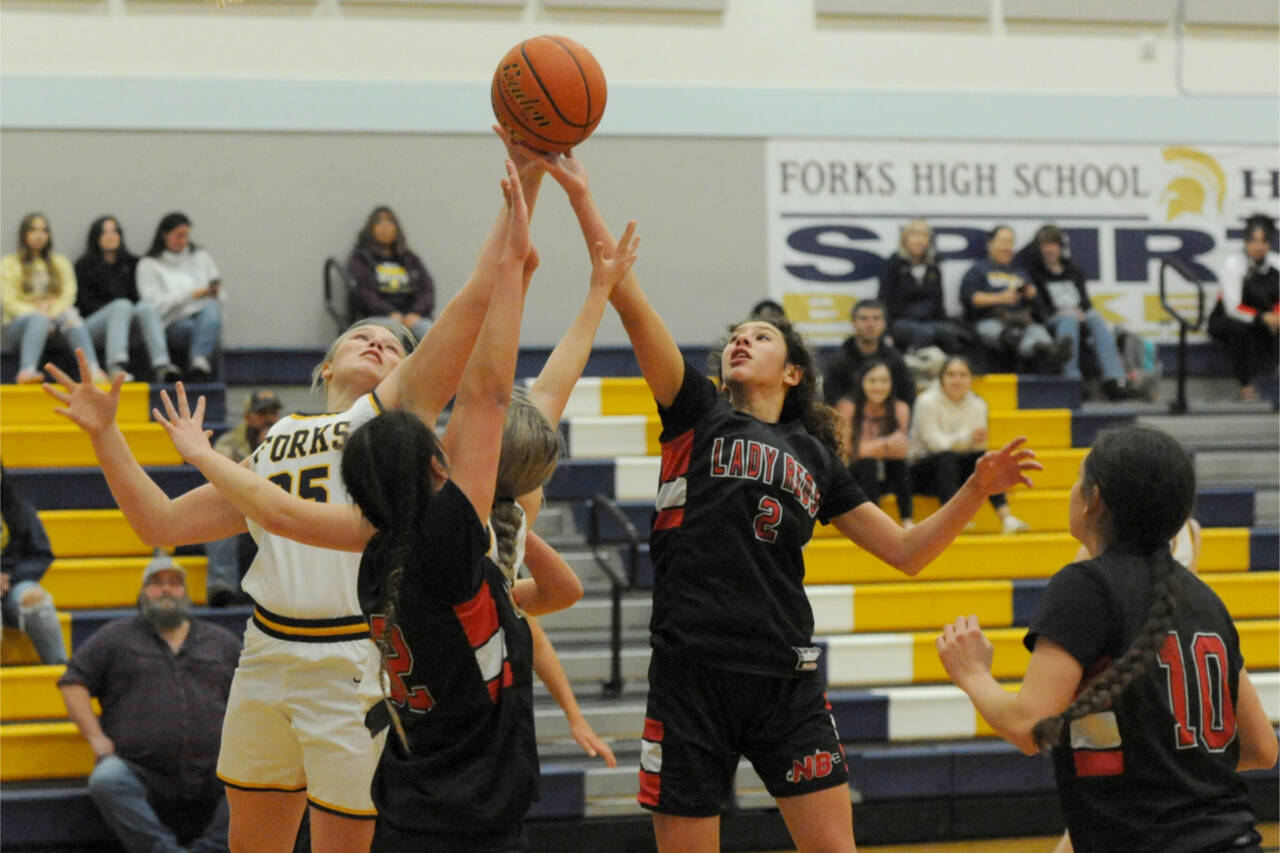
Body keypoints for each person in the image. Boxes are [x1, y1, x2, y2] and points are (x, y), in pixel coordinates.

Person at [43, 144, 552, 853]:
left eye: (396, 344)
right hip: (265, 650)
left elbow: (470, 300)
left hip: (353, 658)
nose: (381, 343)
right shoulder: (276, 436)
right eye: (364, 335)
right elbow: (155, 520)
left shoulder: (386, 417)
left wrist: (519, 189)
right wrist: (106, 436)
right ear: (325, 361)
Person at [542, 148, 1040, 853]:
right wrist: (581, 196)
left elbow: (905, 553)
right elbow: (626, 292)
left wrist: (974, 487)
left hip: (787, 681)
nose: (742, 339)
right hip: (693, 674)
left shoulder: (817, 456)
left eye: (761, 335)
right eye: (736, 336)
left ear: (795, 368)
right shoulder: (696, 412)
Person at [937, 425, 1278, 853]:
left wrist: (972, 674)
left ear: (1093, 498)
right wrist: (1167, 768)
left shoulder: (1084, 586)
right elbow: (1262, 748)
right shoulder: (1205, 597)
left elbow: (1029, 727)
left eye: (1078, 479)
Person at [58, 551, 240, 853]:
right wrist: (96, 738)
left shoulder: (220, 640)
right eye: (156, 583)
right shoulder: (115, 637)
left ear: (185, 592)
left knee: (263, 774)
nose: (166, 589)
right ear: (143, 592)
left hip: (216, 769)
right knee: (106, 779)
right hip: (140, 770)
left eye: (174, 583)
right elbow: (72, 682)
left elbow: (254, 690)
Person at [909, 355, 1029, 535]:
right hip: (922, 471)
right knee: (946, 458)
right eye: (951, 375)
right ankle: (952, 521)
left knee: (988, 461)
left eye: (963, 375)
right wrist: (966, 439)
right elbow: (935, 445)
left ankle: (1007, 518)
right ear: (941, 378)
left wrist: (968, 442)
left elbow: (978, 447)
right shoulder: (926, 401)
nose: (957, 380)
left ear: (971, 379)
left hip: (957, 470)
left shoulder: (978, 404)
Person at [1025, 225, 1139, 400]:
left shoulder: (1073, 270)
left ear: (1060, 247)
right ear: (1039, 248)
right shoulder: (1033, 272)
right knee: (1069, 319)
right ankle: (1072, 378)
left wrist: (1081, 311)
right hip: (1052, 318)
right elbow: (1039, 308)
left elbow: (1085, 301)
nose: (1049, 249)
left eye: (1053, 244)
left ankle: (1114, 379)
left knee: (1095, 316)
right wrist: (1064, 312)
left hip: (1077, 314)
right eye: (1045, 245)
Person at [75, 215, 181, 384]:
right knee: (121, 306)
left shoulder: (134, 264)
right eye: (105, 232)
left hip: (128, 327)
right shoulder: (83, 266)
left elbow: (140, 296)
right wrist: (116, 311)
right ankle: (115, 366)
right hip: (95, 327)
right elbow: (84, 304)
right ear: (96, 237)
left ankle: (162, 365)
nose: (111, 236)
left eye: (115, 231)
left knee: (145, 307)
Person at [2, 212, 105, 384]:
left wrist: (50, 313)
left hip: (56, 325)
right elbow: (9, 302)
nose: (39, 236)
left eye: (44, 231)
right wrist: (38, 312)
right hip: (20, 326)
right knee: (38, 319)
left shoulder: (60, 262)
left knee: (72, 317)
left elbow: (68, 295)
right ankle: (27, 371)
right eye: (33, 230)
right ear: (24, 234)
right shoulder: (9, 263)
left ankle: (92, 371)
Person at [204, 389, 284, 607]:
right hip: (240, 507)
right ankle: (221, 585)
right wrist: (262, 452)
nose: (268, 419)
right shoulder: (229, 442)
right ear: (248, 417)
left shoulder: (289, 440)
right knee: (216, 515)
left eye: (273, 413)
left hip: (277, 508)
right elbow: (218, 480)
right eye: (262, 413)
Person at [960, 225, 1070, 374]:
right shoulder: (978, 269)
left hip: (1022, 321)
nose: (1007, 247)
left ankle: (1049, 350)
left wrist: (1032, 295)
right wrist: (1000, 298)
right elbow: (969, 297)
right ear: (990, 244)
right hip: (992, 320)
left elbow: (1039, 308)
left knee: (1038, 332)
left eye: (1011, 243)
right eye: (1003, 242)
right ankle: (1037, 347)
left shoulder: (1020, 272)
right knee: (1007, 336)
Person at [135, 212, 223, 380]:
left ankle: (199, 362)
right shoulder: (149, 264)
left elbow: (215, 291)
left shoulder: (200, 256)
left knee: (212, 307)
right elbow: (153, 306)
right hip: (171, 323)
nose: (183, 241)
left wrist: (210, 292)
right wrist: (191, 295)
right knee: (195, 329)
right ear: (164, 235)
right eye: (178, 236)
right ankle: (166, 366)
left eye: (186, 236)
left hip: (201, 318)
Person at [1, 466, 69, 664]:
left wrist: (9, 578)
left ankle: (62, 673)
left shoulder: (20, 509)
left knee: (38, 602)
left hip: (14, 582)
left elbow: (41, 555)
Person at [1208, 214, 1278, 402]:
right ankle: (1246, 386)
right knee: (1239, 328)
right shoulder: (1234, 265)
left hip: (1265, 319)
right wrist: (1264, 318)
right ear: (1246, 242)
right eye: (1254, 241)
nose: (1259, 246)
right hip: (1228, 320)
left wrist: (1276, 317)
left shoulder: (1276, 263)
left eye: (1264, 241)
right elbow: (1233, 307)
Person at [347, 206, 436, 343]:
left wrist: (415, 313)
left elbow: (427, 290)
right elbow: (363, 293)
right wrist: (389, 312)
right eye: (379, 222)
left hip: (411, 316)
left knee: (430, 331)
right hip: (377, 316)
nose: (385, 227)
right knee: (392, 330)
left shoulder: (410, 259)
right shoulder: (361, 259)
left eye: (389, 222)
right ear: (371, 229)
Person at [877, 219, 964, 354]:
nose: (919, 240)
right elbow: (884, 298)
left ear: (929, 240)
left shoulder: (934, 264)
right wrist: (885, 331)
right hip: (900, 320)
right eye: (914, 235)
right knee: (925, 333)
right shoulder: (894, 262)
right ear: (905, 239)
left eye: (924, 235)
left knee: (950, 332)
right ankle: (915, 370)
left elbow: (938, 299)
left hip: (929, 319)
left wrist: (944, 322)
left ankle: (952, 370)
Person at [846, 362, 913, 528]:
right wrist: (885, 444)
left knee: (900, 466)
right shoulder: (848, 408)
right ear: (862, 382)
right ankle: (874, 525)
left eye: (884, 381)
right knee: (868, 463)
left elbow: (900, 451)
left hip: (887, 469)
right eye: (873, 381)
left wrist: (871, 448)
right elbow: (848, 451)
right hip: (855, 473)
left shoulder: (900, 408)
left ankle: (907, 520)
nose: (879, 386)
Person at [823, 299, 916, 414]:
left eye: (876, 319)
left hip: (887, 422)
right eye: (864, 319)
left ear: (884, 324)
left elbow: (907, 396)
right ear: (854, 322)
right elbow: (832, 401)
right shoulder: (839, 361)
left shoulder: (895, 359)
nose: (870, 324)